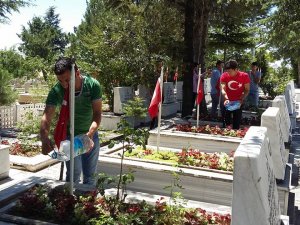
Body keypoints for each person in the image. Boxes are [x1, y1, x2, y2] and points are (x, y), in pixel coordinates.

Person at [40, 57, 102, 185]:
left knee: (90, 177)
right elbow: (47, 116)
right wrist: (44, 138)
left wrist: (89, 135)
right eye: (60, 80)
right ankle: (71, 203)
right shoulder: (57, 90)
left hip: (90, 135)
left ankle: (88, 203)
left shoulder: (92, 85)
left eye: (68, 80)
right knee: (73, 175)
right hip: (70, 138)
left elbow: (97, 114)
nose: (64, 84)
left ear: (77, 73)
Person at [220, 60, 250, 129]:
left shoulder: (244, 76)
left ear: (236, 69)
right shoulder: (224, 75)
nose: (228, 73)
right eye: (227, 71)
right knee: (226, 123)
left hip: (238, 102)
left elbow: (247, 90)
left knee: (236, 122)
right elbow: (223, 89)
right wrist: (226, 98)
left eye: (230, 71)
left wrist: (241, 98)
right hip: (227, 102)